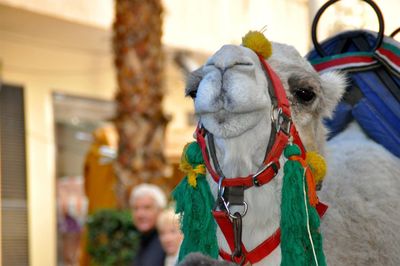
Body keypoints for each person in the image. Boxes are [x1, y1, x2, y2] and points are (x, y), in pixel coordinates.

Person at [130, 183, 167, 266]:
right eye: (136, 208)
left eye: (147, 208)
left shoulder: (168, 242)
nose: (140, 214)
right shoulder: (143, 240)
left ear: (160, 210)